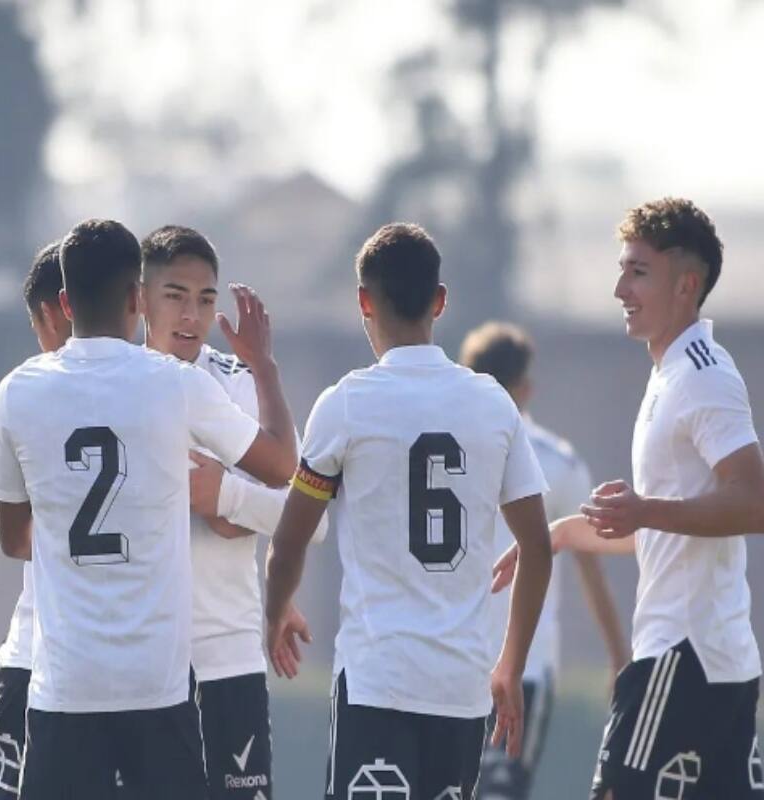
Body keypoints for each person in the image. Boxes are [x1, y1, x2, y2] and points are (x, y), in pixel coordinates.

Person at [0, 218, 298, 799]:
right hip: (157, 686)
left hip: (65, 685)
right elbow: (283, 465)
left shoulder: (19, 391)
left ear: (63, 303)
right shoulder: (173, 384)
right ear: (137, 297)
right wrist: (266, 368)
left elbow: (11, 538)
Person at [264, 223, 553, 799]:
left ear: (364, 302)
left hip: (378, 681)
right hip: (462, 688)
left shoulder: (346, 404)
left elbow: (290, 541)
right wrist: (511, 663)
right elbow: (537, 549)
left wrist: (276, 611)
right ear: (440, 301)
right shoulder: (493, 404)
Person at [495, 198, 764, 799]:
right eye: (622, 271)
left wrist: (644, 509)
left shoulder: (703, 374)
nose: (620, 289)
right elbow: (672, 528)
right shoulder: (670, 373)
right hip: (712, 657)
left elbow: (753, 502)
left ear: (686, 285)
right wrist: (560, 535)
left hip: (681, 654)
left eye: (638, 272)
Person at [140, 224, 328, 800]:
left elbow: (313, 518)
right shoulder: (116, 388)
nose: (190, 316)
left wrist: (228, 498)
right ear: (140, 298)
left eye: (205, 299)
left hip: (228, 656)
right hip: (139, 660)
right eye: (175, 296)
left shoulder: (240, 383)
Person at [459, 320, 629, 800]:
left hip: (452, 655)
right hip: (526, 666)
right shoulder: (558, 461)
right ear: (526, 387)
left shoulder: (439, 450)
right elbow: (591, 567)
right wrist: (619, 656)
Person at [0, 242, 71, 799]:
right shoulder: (157, 385)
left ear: (52, 312)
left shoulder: (26, 388)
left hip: (39, 653)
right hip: (133, 670)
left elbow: (2, 521)